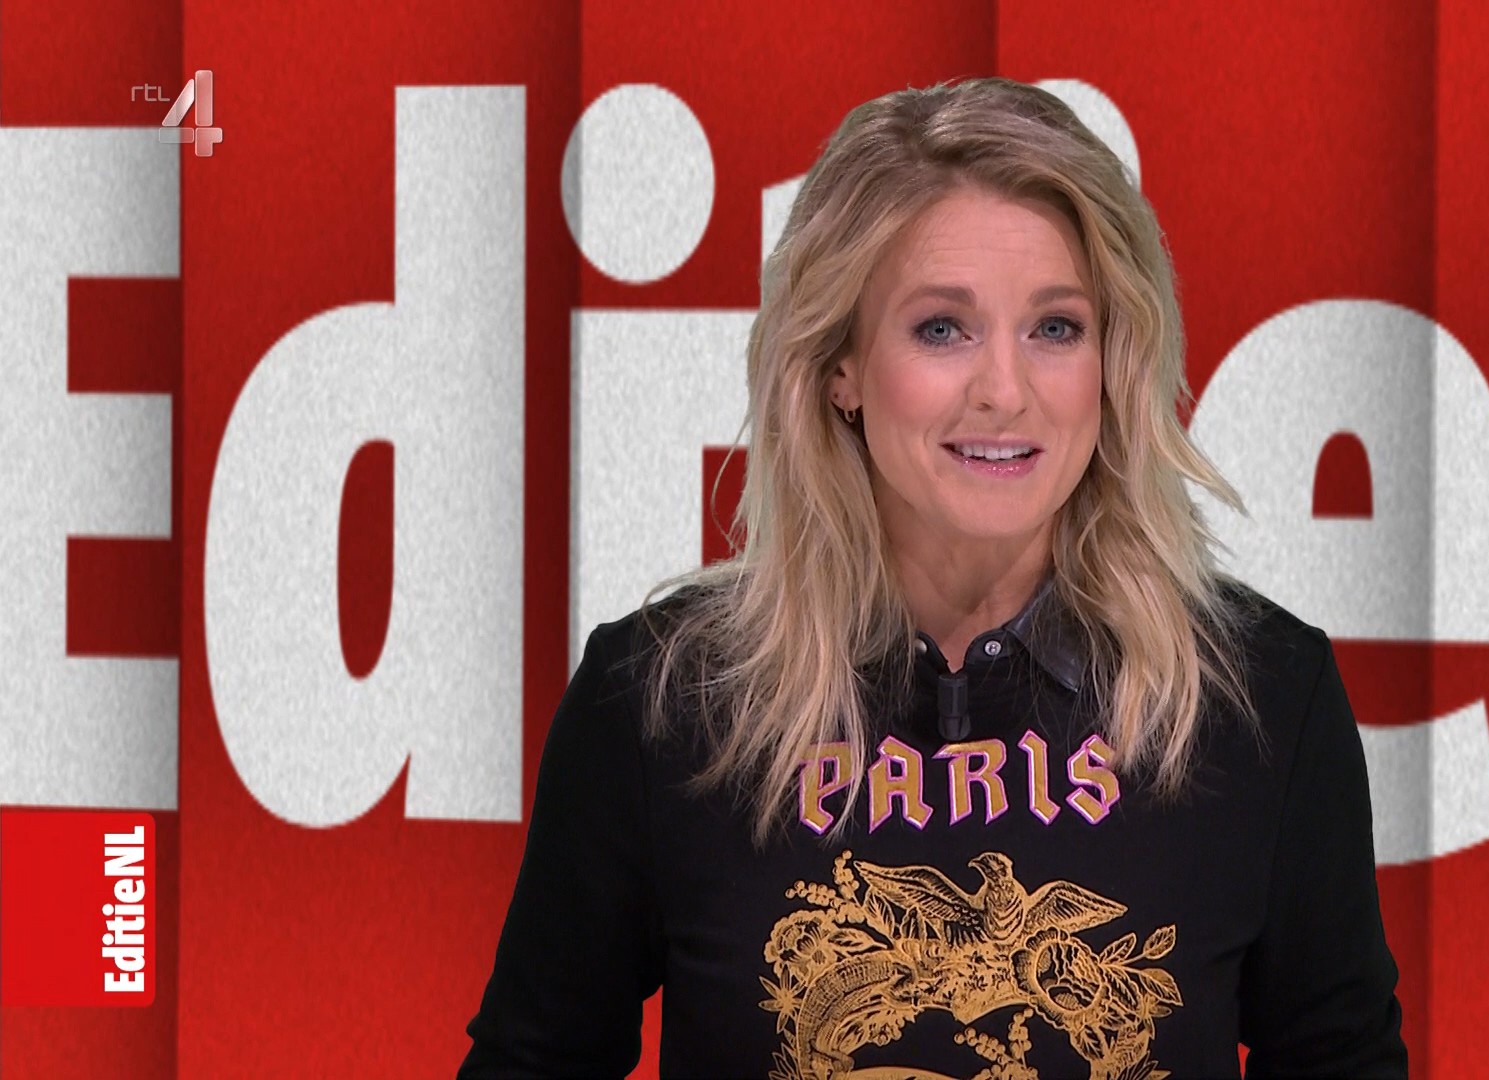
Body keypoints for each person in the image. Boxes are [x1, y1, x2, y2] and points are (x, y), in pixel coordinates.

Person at [457, 76, 1406, 1079]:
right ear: (840, 366)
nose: (1005, 390)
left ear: (1112, 362)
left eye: (1055, 328)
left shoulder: (1263, 698)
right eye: (942, 328)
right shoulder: (660, 702)